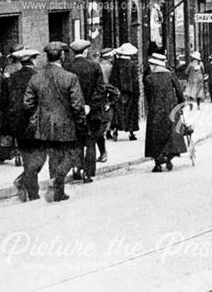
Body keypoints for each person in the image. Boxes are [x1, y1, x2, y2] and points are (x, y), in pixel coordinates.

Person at [22, 42, 86, 203]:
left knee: (53, 157)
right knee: (71, 156)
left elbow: (27, 104)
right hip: (66, 124)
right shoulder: (70, 77)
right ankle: (57, 182)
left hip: (44, 126)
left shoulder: (36, 77)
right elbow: (77, 105)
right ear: (62, 56)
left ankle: (58, 192)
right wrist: (81, 123)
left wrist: (41, 113)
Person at [0, 49, 38, 199]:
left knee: (29, 157)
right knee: (38, 158)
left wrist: (12, 116)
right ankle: (32, 192)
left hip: (18, 125)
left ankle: (23, 182)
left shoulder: (10, 79)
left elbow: (1, 102)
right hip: (36, 123)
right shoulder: (38, 77)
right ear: (33, 60)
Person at [67, 39, 107, 183]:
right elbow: (101, 88)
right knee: (90, 141)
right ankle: (88, 173)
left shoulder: (68, 67)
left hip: (74, 111)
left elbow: (68, 91)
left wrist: (77, 105)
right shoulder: (94, 66)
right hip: (93, 112)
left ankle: (77, 169)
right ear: (85, 51)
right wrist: (90, 105)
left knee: (77, 141)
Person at [142, 53, 188, 172]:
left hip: (155, 109)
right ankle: (168, 158)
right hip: (170, 107)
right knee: (171, 133)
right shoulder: (170, 75)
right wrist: (181, 103)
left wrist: (150, 106)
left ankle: (158, 162)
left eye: (151, 64)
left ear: (155, 65)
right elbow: (178, 90)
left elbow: (148, 95)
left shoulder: (149, 78)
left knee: (156, 134)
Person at [110, 43, 140, 141]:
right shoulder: (132, 65)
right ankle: (131, 132)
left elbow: (113, 79)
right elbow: (135, 81)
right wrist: (137, 93)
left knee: (117, 111)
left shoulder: (116, 64)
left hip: (118, 91)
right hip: (130, 92)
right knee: (130, 112)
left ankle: (115, 130)